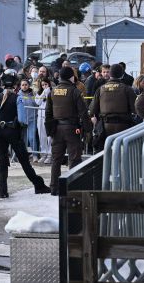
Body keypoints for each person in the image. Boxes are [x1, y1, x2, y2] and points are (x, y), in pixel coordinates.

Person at [0, 72, 51, 198]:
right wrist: (20, 127)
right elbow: (22, 120)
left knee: (2, 161)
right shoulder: (18, 98)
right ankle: (38, 185)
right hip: (13, 132)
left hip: (0, 132)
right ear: (15, 85)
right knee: (24, 161)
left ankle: (3, 191)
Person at [45, 66, 91, 196]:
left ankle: (54, 188)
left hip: (57, 129)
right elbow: (83, 113)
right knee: (74, 159)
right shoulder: (74, 91)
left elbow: (48, 113)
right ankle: (72, 188)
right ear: (71, 77)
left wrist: (50, 130)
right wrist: (88, 129)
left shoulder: (53, 91)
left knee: (56, 159)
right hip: (72, 129)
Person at [89, 64, 137, 152]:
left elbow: (92, 109)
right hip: (123, 127)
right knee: (123, 153)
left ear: (110, 74)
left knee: (105, 154)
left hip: (105, 127)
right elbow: (135, 108)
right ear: (122, 75)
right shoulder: (127, 89)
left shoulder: (100, 89)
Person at [17, 78, 40, 162]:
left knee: (31, 138)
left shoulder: (33, 94)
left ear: (29, 85)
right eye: (22, 85)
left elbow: (37, 104)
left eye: (26, 85)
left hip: (32, 119)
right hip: (22, 121)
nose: (24, 86)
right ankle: (22, 155)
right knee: (23, 139)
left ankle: (35, 155)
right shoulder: (18, 95)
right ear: (20, 86)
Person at [36, 77, 53, 164]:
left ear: (49, 84)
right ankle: (43, 154)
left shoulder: (52, 92)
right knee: (41, 136)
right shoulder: (39, 92)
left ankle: (50, 155)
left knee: (49, 137)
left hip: (49, 117)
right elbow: (37, 102)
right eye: (42, 85)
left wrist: (48, 93)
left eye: (46, 84)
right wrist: (43, 93)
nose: (44, 86)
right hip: (40, 117)